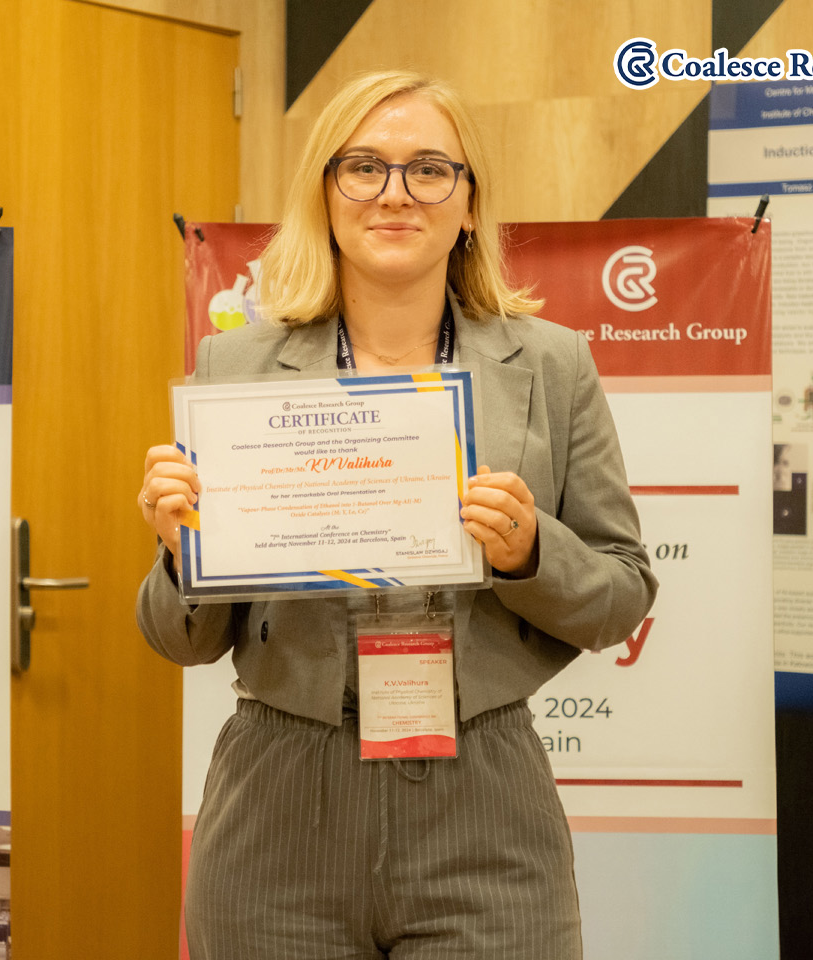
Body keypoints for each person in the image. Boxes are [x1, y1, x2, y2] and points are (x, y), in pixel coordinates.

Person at [136, 70, 657, 959]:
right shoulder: (234, 369)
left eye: (429, 169)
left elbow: (622, 596)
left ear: (469, 202)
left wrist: (531, 550)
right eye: (365, 167)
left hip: (484, 802)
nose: (395, 193)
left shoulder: (553, 365)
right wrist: (183, 554)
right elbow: (179, 640)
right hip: (279, 809)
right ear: (326, 194)